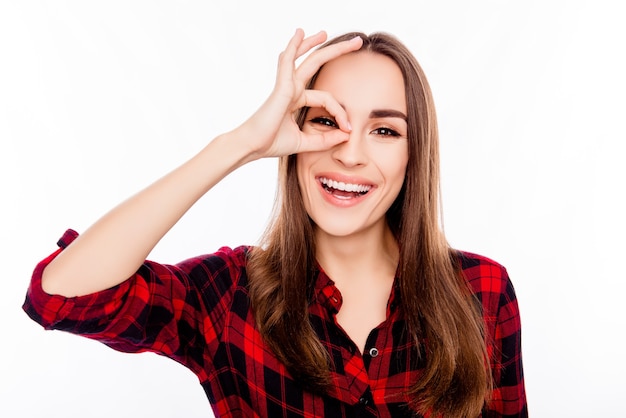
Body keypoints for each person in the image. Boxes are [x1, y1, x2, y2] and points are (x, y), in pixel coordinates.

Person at [23, 29, 527, 417]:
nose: (350, 154)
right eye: (327, 121)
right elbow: (62, 295)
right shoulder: (230, 295)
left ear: (415, 154)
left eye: (384, 130)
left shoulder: (481, 291)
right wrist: (241, 144)